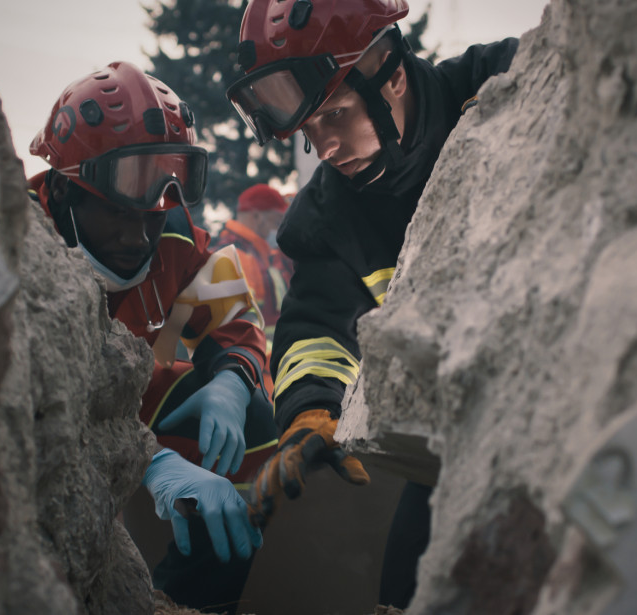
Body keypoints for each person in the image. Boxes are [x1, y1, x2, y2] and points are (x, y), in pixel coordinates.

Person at [226, 0, 519, 608]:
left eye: (335, 113)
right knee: (407, 591)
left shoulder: (506, 85)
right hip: (460, 431)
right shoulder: (330, 216)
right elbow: (315, 326)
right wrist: (310, 410)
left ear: (393, 77)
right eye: (310, 130)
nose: (326, 148)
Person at [28, 61, 277, 614]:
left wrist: (234, 383)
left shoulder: (170, 237)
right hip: (47, 429)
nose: (139, 235)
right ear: (67, 193)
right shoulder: (17, 248)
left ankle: (185, 602)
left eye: (154, 214)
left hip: (131, 412)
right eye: (120, 212)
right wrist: (155, 464)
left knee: (255, 423)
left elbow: (235, 321)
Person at [215, 184, 293, 392]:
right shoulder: (239, 259)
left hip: (261, 373)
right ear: (257, 217)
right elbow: (242, 331)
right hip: (258, 376)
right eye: (277, 221)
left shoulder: (255, 255)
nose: (280, 227)